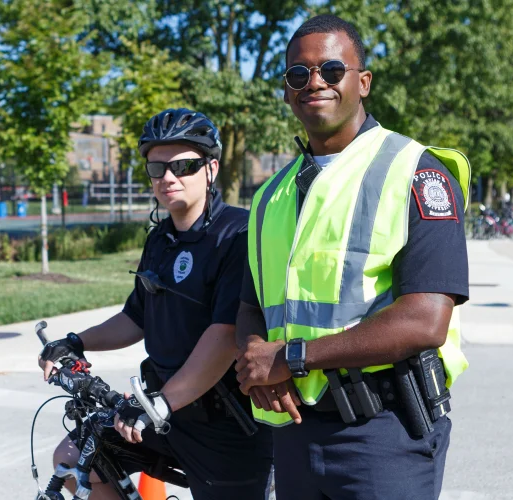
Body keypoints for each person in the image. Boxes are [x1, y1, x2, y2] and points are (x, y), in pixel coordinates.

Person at [234, 14, 471, 500]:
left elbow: (425, 320)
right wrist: (258, 365)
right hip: (294, 431)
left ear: (362, 83)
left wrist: (291, 359)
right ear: (285, 90)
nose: (313, 82)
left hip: (384, 437)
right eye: (298, 74)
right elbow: (251, 305)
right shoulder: (268, 196)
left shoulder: (417, 172)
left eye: (331, 71)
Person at [39, 108, 273, 500]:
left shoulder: (237, 235)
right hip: (162, 412)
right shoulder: (161, 238)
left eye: (183, 166)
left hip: (225, 425)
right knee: (75, 456)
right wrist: (75, 342)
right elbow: (136, 317)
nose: (168, 177)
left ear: (211, 168)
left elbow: (225, 336)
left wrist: (161, 404)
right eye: (157, 167)